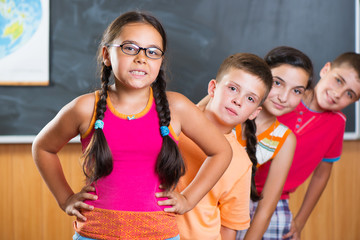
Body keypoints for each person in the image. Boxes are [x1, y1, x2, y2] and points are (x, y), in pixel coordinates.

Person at [32, 11, 233, 240]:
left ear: (160, 62)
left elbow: (221, 151)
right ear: (107, 55)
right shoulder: (85, 108)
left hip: (159, 234)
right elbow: (43, 147)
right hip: (94, 233)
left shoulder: (177, 107)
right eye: (130, 48)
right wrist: (65, 198)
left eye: (152, 52)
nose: (141, 58)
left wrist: (188, 199)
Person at [176, 53, 273, 240]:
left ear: (255, 113)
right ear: (213, 88)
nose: (238, 100)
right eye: (233, 88)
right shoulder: (175, 123)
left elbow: (229, 227)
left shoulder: (241, 163)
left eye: (250, 99)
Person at [278, 52, 360, 240]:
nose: (338, 94)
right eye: (338, 81)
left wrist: (300, 220)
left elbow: (322, 175)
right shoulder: (286, 96)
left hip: (278, 200)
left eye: (350, 94)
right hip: (238, 187)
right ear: (325, 70)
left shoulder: (337, 123)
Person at [235, 46, 314, 240]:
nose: (284, 97)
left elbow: (266, 208)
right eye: (277, 83)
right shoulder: (230, 107)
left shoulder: (285, 140)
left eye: (297, 91)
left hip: (237, 211)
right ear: (261, 75)